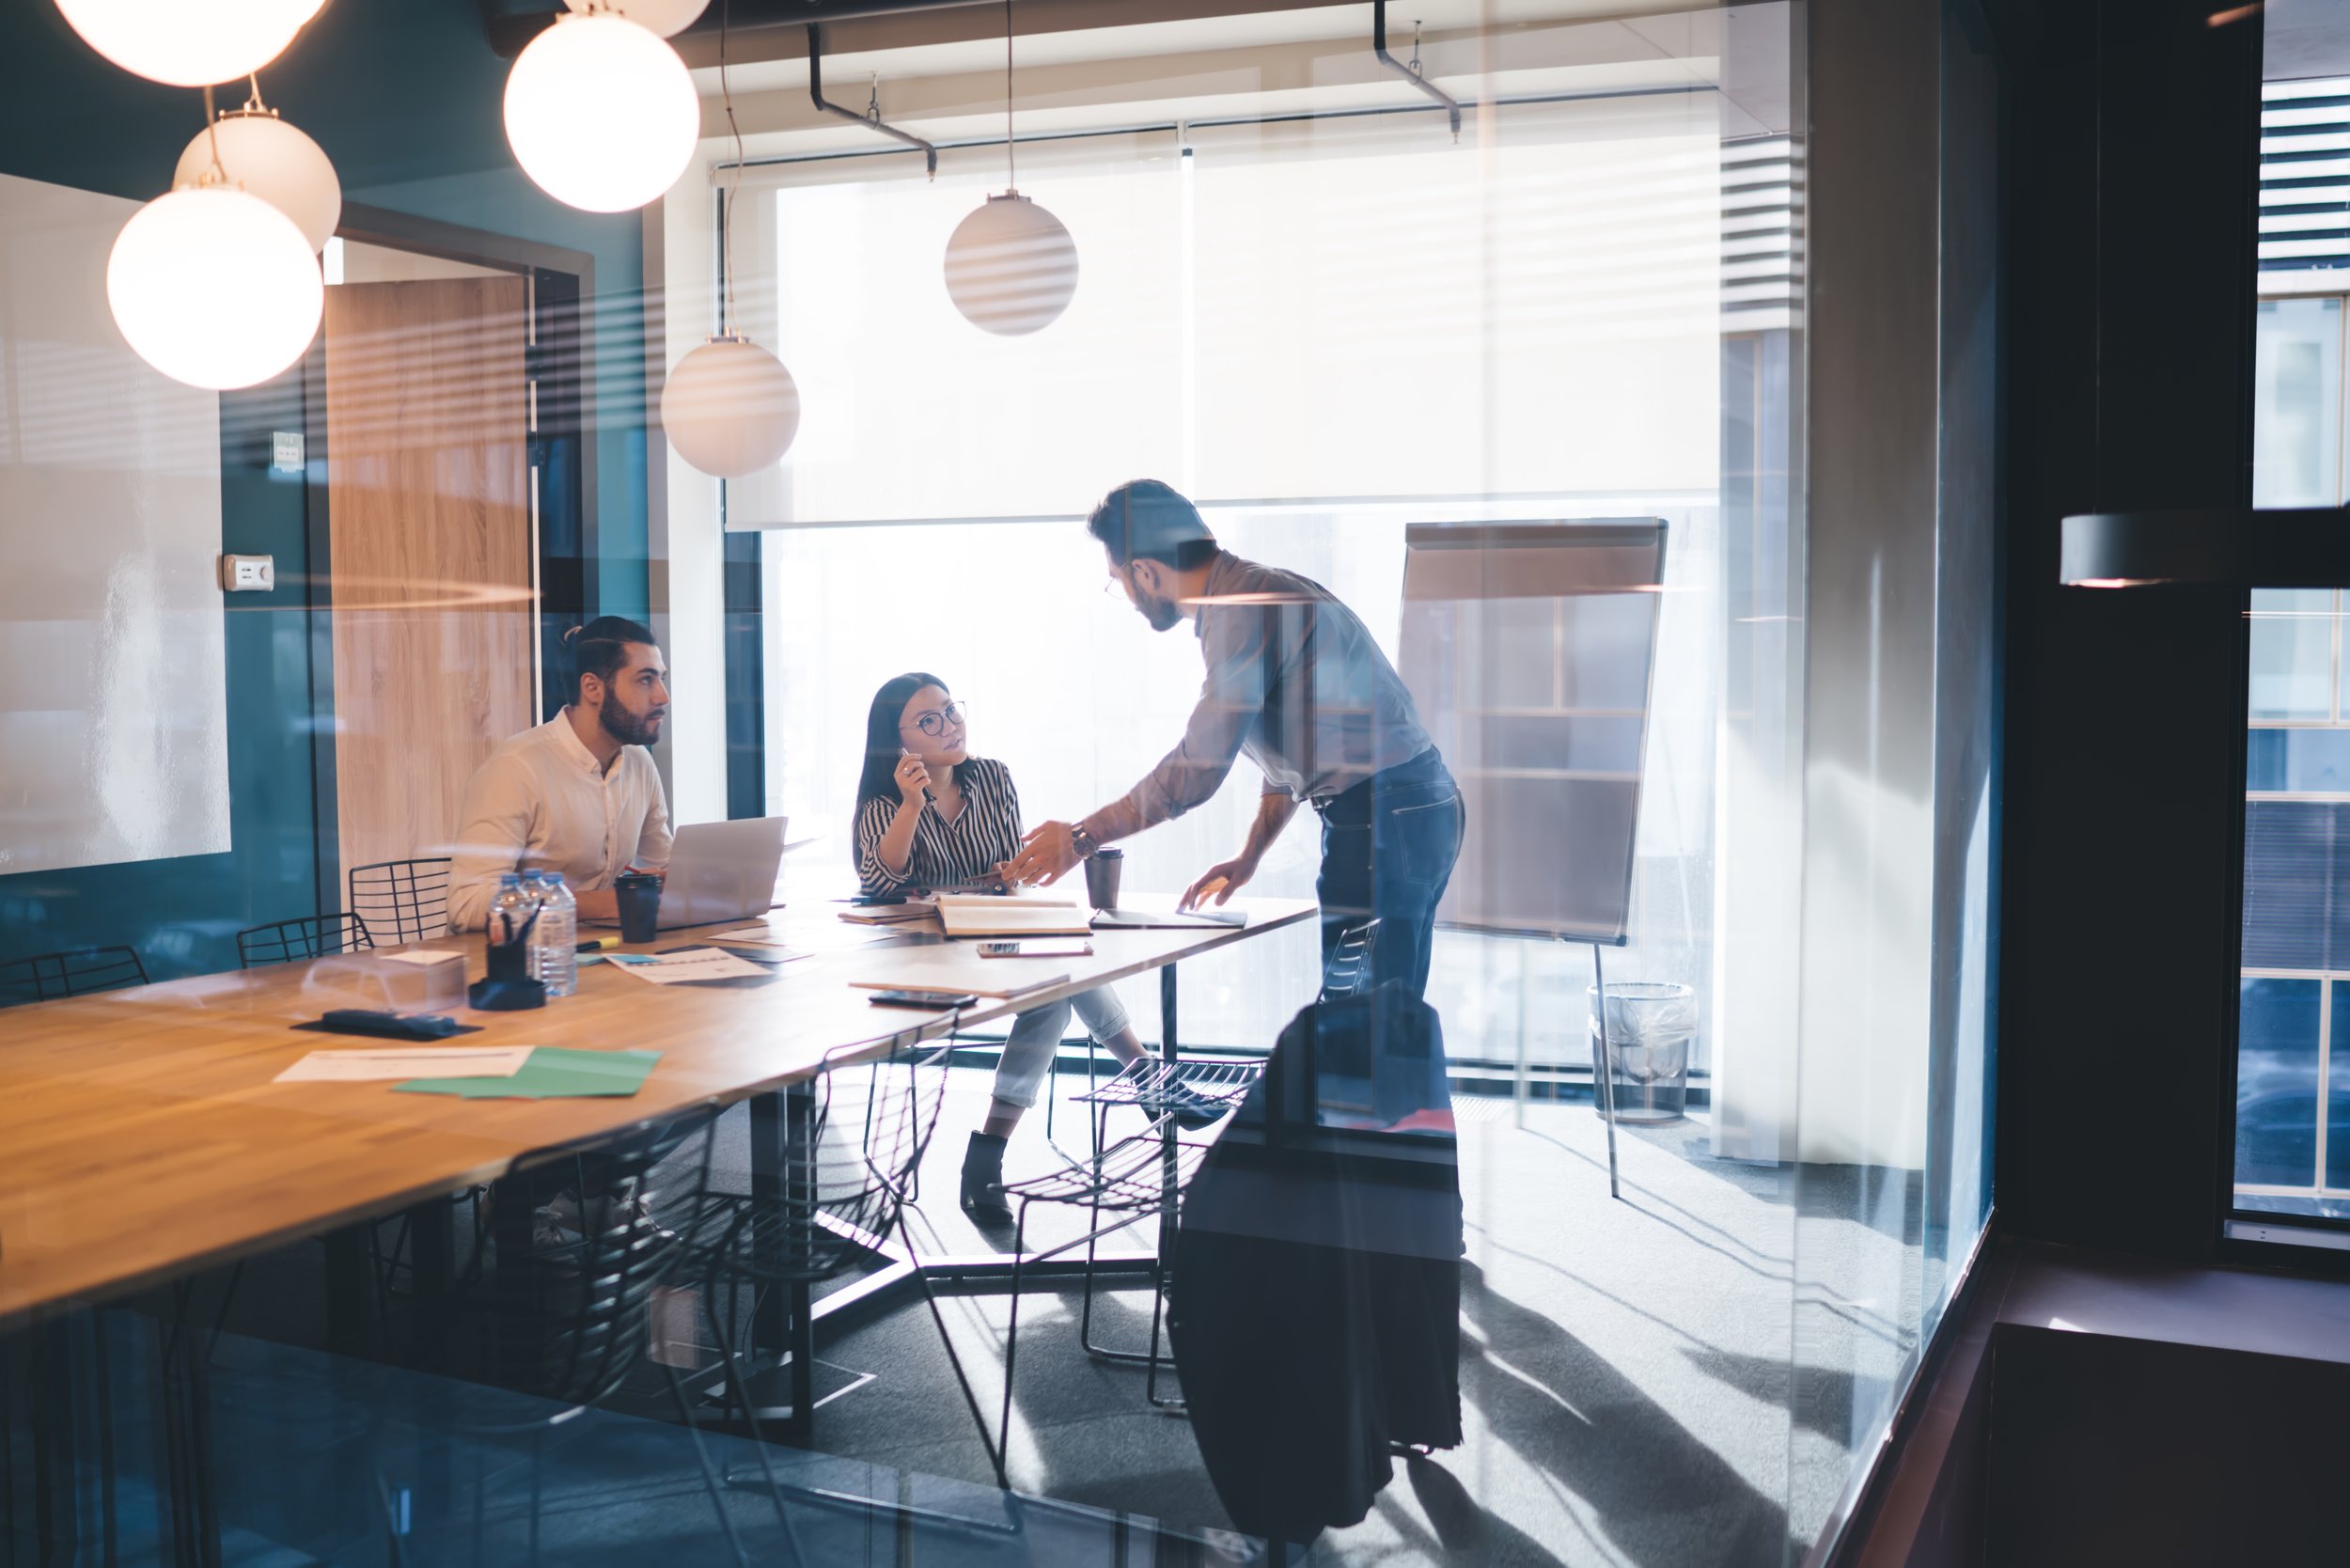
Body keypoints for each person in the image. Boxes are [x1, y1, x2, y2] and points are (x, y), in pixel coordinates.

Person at [1004, 479, 1465, 998]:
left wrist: (1084, 836)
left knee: (1361, 1020)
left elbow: (1200, 764)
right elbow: (1301, 745)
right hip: (1410, 805)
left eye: (1120, 581)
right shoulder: (1256, 589)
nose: (1128, 598)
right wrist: (1251, 854)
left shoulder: (1239, 610)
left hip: (1382, 814)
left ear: (1145, 571)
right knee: (1383, 1014)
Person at [853, 671, 1161, 1223]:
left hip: (994, 929)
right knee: (1057, 977)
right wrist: (911, 804)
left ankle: (988, 1155)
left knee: (1053, 988)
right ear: (898, 742)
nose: (950, 727)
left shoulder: (992, 777)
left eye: (951, 711)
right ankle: (1145, 1075)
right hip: (925, 952)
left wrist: (1006, 875)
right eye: (929, 720)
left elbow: (1008, 873)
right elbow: (879, 882)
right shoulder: (884, 801)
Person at [446, 616, 673, 933]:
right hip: (517, 965)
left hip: (598, 953)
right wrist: (606, 902)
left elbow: (661, 864)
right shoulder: (516, 768)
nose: (663, 696)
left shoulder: (639, 764)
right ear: (593, 688)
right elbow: (467, 904)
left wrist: (685, 880)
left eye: (661, 679)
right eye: (646, 680)